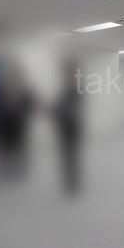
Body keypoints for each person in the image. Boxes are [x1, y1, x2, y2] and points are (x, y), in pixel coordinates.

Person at [52, 60, 83, 196]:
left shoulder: (76, 91)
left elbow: (69, 110)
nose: (63, 76)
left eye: (65, 74)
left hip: (72, 128)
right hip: (64, 127)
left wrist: (58, 110)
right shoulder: (64, 90)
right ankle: (69, 180)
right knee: (65, 156)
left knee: (71, 156)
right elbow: (59, 107)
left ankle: (73, 183)